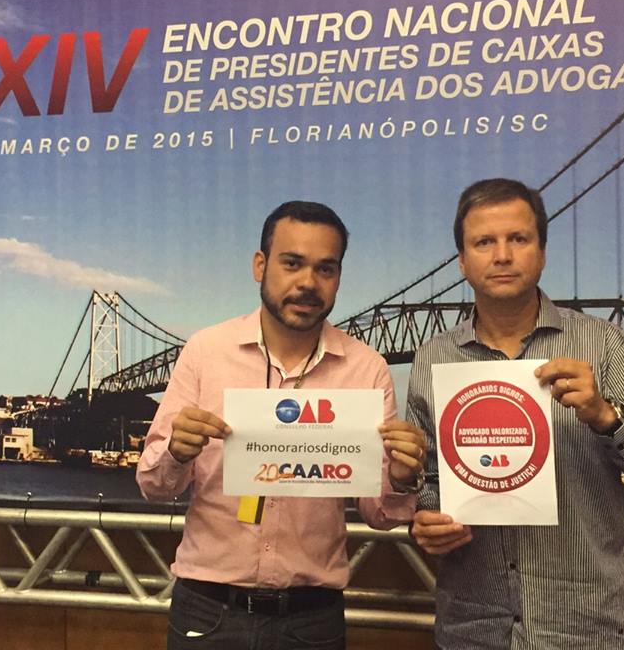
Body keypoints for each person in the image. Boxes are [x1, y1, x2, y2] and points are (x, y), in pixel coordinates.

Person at [407, 178, 624, 650]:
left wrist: (607, 416)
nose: (502, 256)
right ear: (462, 262)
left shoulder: (604, 344)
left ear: (541, 254)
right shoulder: (432, 357)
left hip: (586, 632)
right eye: (483, 242)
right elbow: (432, 481)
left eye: (518, 238)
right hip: (472, 631)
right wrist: (428, 516)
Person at [137, 200, 426, 650]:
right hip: (207, 611)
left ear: (338, 277)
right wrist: (176, 451)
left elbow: (382, 515)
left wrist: (404, 477)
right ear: (260, 265)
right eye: (292, 263)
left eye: (325, 269)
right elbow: (153, 486)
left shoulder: (367, 368)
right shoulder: (204, 352)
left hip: (311, 621)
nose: (308, 282)